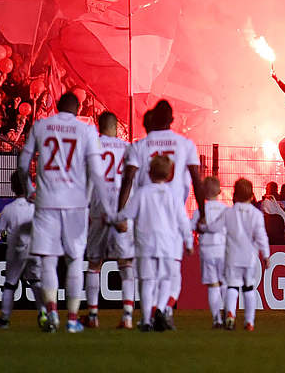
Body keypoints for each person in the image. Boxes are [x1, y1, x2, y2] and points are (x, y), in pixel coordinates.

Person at [17, 92, 107, 333]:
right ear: (77, 110)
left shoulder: (41, 126)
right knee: (75, 259)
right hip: (76, 204)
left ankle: (53, 314)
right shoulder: (86, 131)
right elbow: (96, 173)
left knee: (48, 259)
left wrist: (28, 189)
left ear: (57, 107)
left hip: (46, 202)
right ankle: (73, 319)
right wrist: (99, 204)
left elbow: (22, 164)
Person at [117, 99, 206, 322]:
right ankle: (164, 311)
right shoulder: (186, 144)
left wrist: (120, 214)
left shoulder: (139, 146)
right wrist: (204, 214)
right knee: (170, 274)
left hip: (145, 218)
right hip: (173, 219)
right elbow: (197, 180)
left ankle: (147, 318)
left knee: (147, 278)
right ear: (172, 120)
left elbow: (127, 180)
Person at [116, 154, 192, 332]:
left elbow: (127, 213)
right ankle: (160, 309)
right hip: (167, 245)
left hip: (145, 244)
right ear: (169, 175)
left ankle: (146, 319)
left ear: (149, 172)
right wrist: (188, 241)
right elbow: (183, 220)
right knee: (165, 280)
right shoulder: (174, 195)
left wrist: (114, 218)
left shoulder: (142, 193)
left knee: (147, 282)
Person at [83, 111, 136, 329]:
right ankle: (128, 316)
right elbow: (134, 181)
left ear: (99, 126)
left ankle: (93, 316)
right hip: (122, 210)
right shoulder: (128, 148)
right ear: (115, 127)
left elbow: (86, 180)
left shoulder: (92, 147)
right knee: (126, 264)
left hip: (98, 210)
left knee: (95, 263)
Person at [207, 178, 269, 331]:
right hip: (249, 258)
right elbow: (262, 236)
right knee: (248, 288)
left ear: (234, 195)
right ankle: (249, 322)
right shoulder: (256, 214)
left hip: (232, 256)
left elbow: (214, 227)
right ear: (252, 195)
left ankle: (230, 313)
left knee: (232, 287)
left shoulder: (228, 212)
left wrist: (202, 225)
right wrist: (266, 255)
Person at [0, 170, 41, 330]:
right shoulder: (36, 207)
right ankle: (44, 312)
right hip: (34, 249)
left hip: (16, 251)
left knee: (10, 284)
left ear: (12, 187)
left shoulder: (9, 209)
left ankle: (4, 318)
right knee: (36, 281)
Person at [195, 177, 229, 328]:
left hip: (207, 250)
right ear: (220, 191)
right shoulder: (226, 209)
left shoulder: (200, 210)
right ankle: (229, 314)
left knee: (213, 285)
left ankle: (216, 318)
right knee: (226, 284)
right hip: (223, 250)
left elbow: (191, 226)